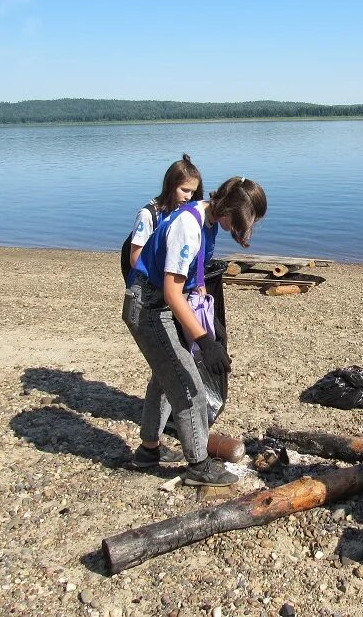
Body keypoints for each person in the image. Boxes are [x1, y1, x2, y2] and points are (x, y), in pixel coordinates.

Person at [122, 177, 267, 486]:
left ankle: (149, 451)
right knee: (189, 387)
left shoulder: (207, 219)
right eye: (240, 220)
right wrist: (204, 341)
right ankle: (198, 466)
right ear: (227, 207)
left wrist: (209, 327)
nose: (239, 227)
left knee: (164, 379)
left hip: (158, 304)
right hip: (148, 307)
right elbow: (173, 293)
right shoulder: (188, 225)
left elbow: (194, 277)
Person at [123, 153, 203, 286]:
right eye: (184, 190)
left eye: (193, 192)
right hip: (147, 286)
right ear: (170, 185)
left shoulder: (184, 214)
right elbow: (135, 259)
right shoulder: (148, 215)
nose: (188, 196)